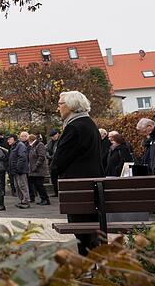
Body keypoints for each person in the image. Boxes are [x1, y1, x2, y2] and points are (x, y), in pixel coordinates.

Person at [50, 91, 104, 256]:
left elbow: (58, 161)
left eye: (60, 104)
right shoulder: (89, 124)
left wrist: (54, 169)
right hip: (92, 186)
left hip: (78, 188)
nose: (58, 107)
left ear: (71, 106)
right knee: (92, 231)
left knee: (82, 231)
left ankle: (88, 265)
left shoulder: (74, 127)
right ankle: (96, 264)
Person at [8, 132, 30, 209]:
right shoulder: (14, 146)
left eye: (9, 139)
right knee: (17, 186)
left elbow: (22, 157)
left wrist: (18, 168)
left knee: (22, 186)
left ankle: (26, 201)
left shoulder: (20, 145)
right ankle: (22, 200)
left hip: (20, 170)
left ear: (14, 139)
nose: (8, 141)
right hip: (15, 170)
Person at [27, 134, 50, 205]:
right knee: (37, 185)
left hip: (39, 169)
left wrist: (36, 166)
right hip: (34, 169)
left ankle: (46, 199)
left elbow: (41, 157)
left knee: (40, 185)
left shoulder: (40, 145)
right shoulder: (33, 146)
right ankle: (43, 199)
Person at [45, 129, 61, 196]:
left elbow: (57, 152)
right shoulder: (50, 142)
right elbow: (46, 149)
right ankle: (56, 192)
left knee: (59, 178)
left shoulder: (60, 141)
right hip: (52, 162)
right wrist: (48, 155)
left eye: (54, 135)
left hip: (58, 162)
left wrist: (51, 156)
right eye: (52, 136)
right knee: (53, 178)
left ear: (58, 134)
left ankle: (60, 192)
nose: (53, 137)